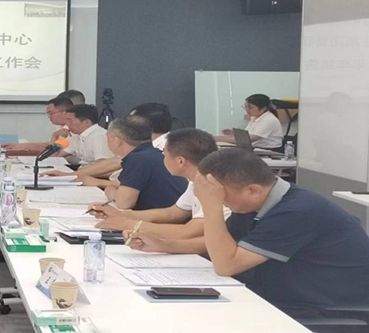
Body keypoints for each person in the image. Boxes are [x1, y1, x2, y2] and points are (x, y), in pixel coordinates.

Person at [194, 148, 369, 319]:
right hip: (286, 299)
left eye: (220, 194)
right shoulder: (256, 204)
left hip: (326, 311)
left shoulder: (297, 211)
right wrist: (173, 244)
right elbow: (222, 246)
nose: (221, 200)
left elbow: (226, 265)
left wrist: (211, 205)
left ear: (253, 190)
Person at [90, 128, 230, 239]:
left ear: (180, 161)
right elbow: (172, 213)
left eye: (165, 154)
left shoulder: (214, 185)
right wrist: (120, 214)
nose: (162, 159)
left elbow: (189, 231)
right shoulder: (196, 181)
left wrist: (131, 225)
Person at [101, 116, 187, 209]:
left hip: (161, 216)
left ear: (117, 140)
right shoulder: (153, 154)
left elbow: (124, 203)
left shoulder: (137, 159)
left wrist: (110, 191)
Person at [1, 96, 75, 156]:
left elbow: (52, 153)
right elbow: (47, 145)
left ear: (65, 112)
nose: (49, 117)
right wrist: (17, 146)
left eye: (51, 113)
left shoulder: (72, 130)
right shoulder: (61, 127)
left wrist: (54, 135)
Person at [215, 94, 284, 150]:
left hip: (269, 150)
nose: (247, 110)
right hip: (256, 148)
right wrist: (234, 133)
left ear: (263, 108)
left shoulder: (269, 119)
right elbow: (248, 135)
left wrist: (217, 139)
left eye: (250, 107)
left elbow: (249, 139)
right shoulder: (255, 117)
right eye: (245, 107)